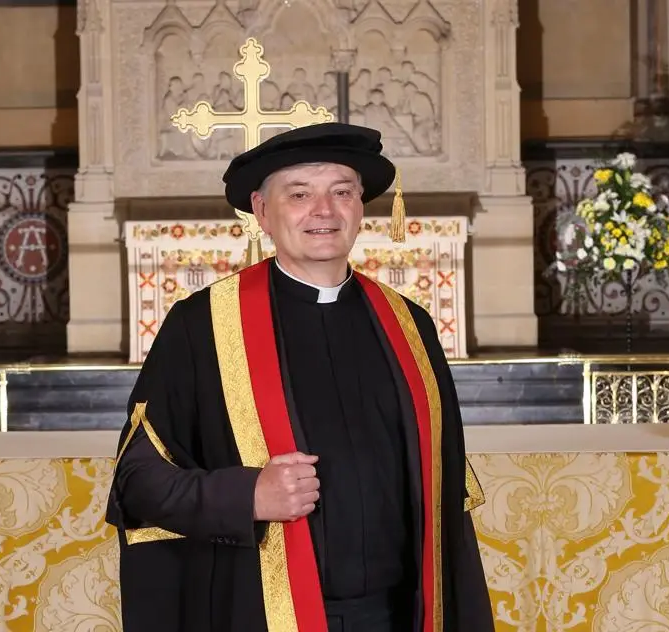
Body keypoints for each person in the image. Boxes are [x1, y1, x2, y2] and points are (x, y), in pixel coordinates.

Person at [106, 122, 494, 632]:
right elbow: (137, 484)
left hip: (400, 614)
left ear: (361, 207)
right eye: (299, 194)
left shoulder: (409, 324)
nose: (324, 212)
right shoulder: (202, 325)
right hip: (259, 613)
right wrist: (248, 496)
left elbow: (444, 488)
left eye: (342, 192)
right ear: (263, 212)